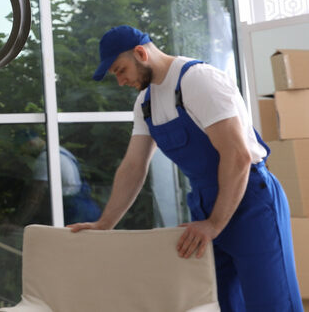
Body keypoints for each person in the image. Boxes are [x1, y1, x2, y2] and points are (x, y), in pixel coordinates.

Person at [68, 25, 302, 311]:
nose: (120, 81)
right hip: (204, 203)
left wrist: (214, 224)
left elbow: (237, 155)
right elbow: (133, 166)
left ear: (140, 53)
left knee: (271, 303)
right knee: (223, 303)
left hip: (249, 199)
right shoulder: (146, 103)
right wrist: (104, 224)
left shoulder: (198, 80)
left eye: (120, 70)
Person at [10, 134, 102, 227]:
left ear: (31, 144)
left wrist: (17, 222)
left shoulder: (46, 158)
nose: (25, 155)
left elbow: (35, 197)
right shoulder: (61, 151)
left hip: (74, 212)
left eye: (24, 151)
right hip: (88, 209)